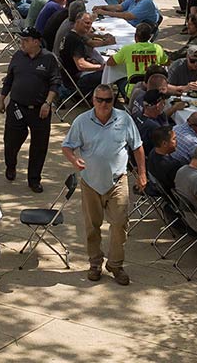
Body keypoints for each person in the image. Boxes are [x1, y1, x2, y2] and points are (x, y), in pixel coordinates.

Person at [61, 83, 147, 286]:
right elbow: (67, 146)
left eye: (108, 100)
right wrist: (74, 160)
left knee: (119, 224)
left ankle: (116, 265)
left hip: (118, 181)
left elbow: (138, 147)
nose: (103, 104)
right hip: (90, 182)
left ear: (113, 101)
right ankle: (95, 263)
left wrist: (142, 174)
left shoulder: (124, 119)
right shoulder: (82, 121)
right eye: (99, 99)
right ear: (93, 100)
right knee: (92, 227)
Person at [0, 27, 60, 192]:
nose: (22, 43)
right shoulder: (18, 56)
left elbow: (55, 83)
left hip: (40, 109)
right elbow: (9, 79)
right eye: (21, 40)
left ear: (36, 41)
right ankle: (11, 165)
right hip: (17, 106)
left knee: (39, 146)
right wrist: (2, 98)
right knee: (11, 141)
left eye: (26, 40)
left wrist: (47, 103)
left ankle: (34, 179)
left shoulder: (49, 59)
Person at [103, 23, 167, 95]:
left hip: (132, 91)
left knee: (119, 78)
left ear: (135, 37)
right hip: (153, 89)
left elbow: (110, 63)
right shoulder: (158, 48)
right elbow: (166, 62)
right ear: (150, 37)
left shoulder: (127, 49)